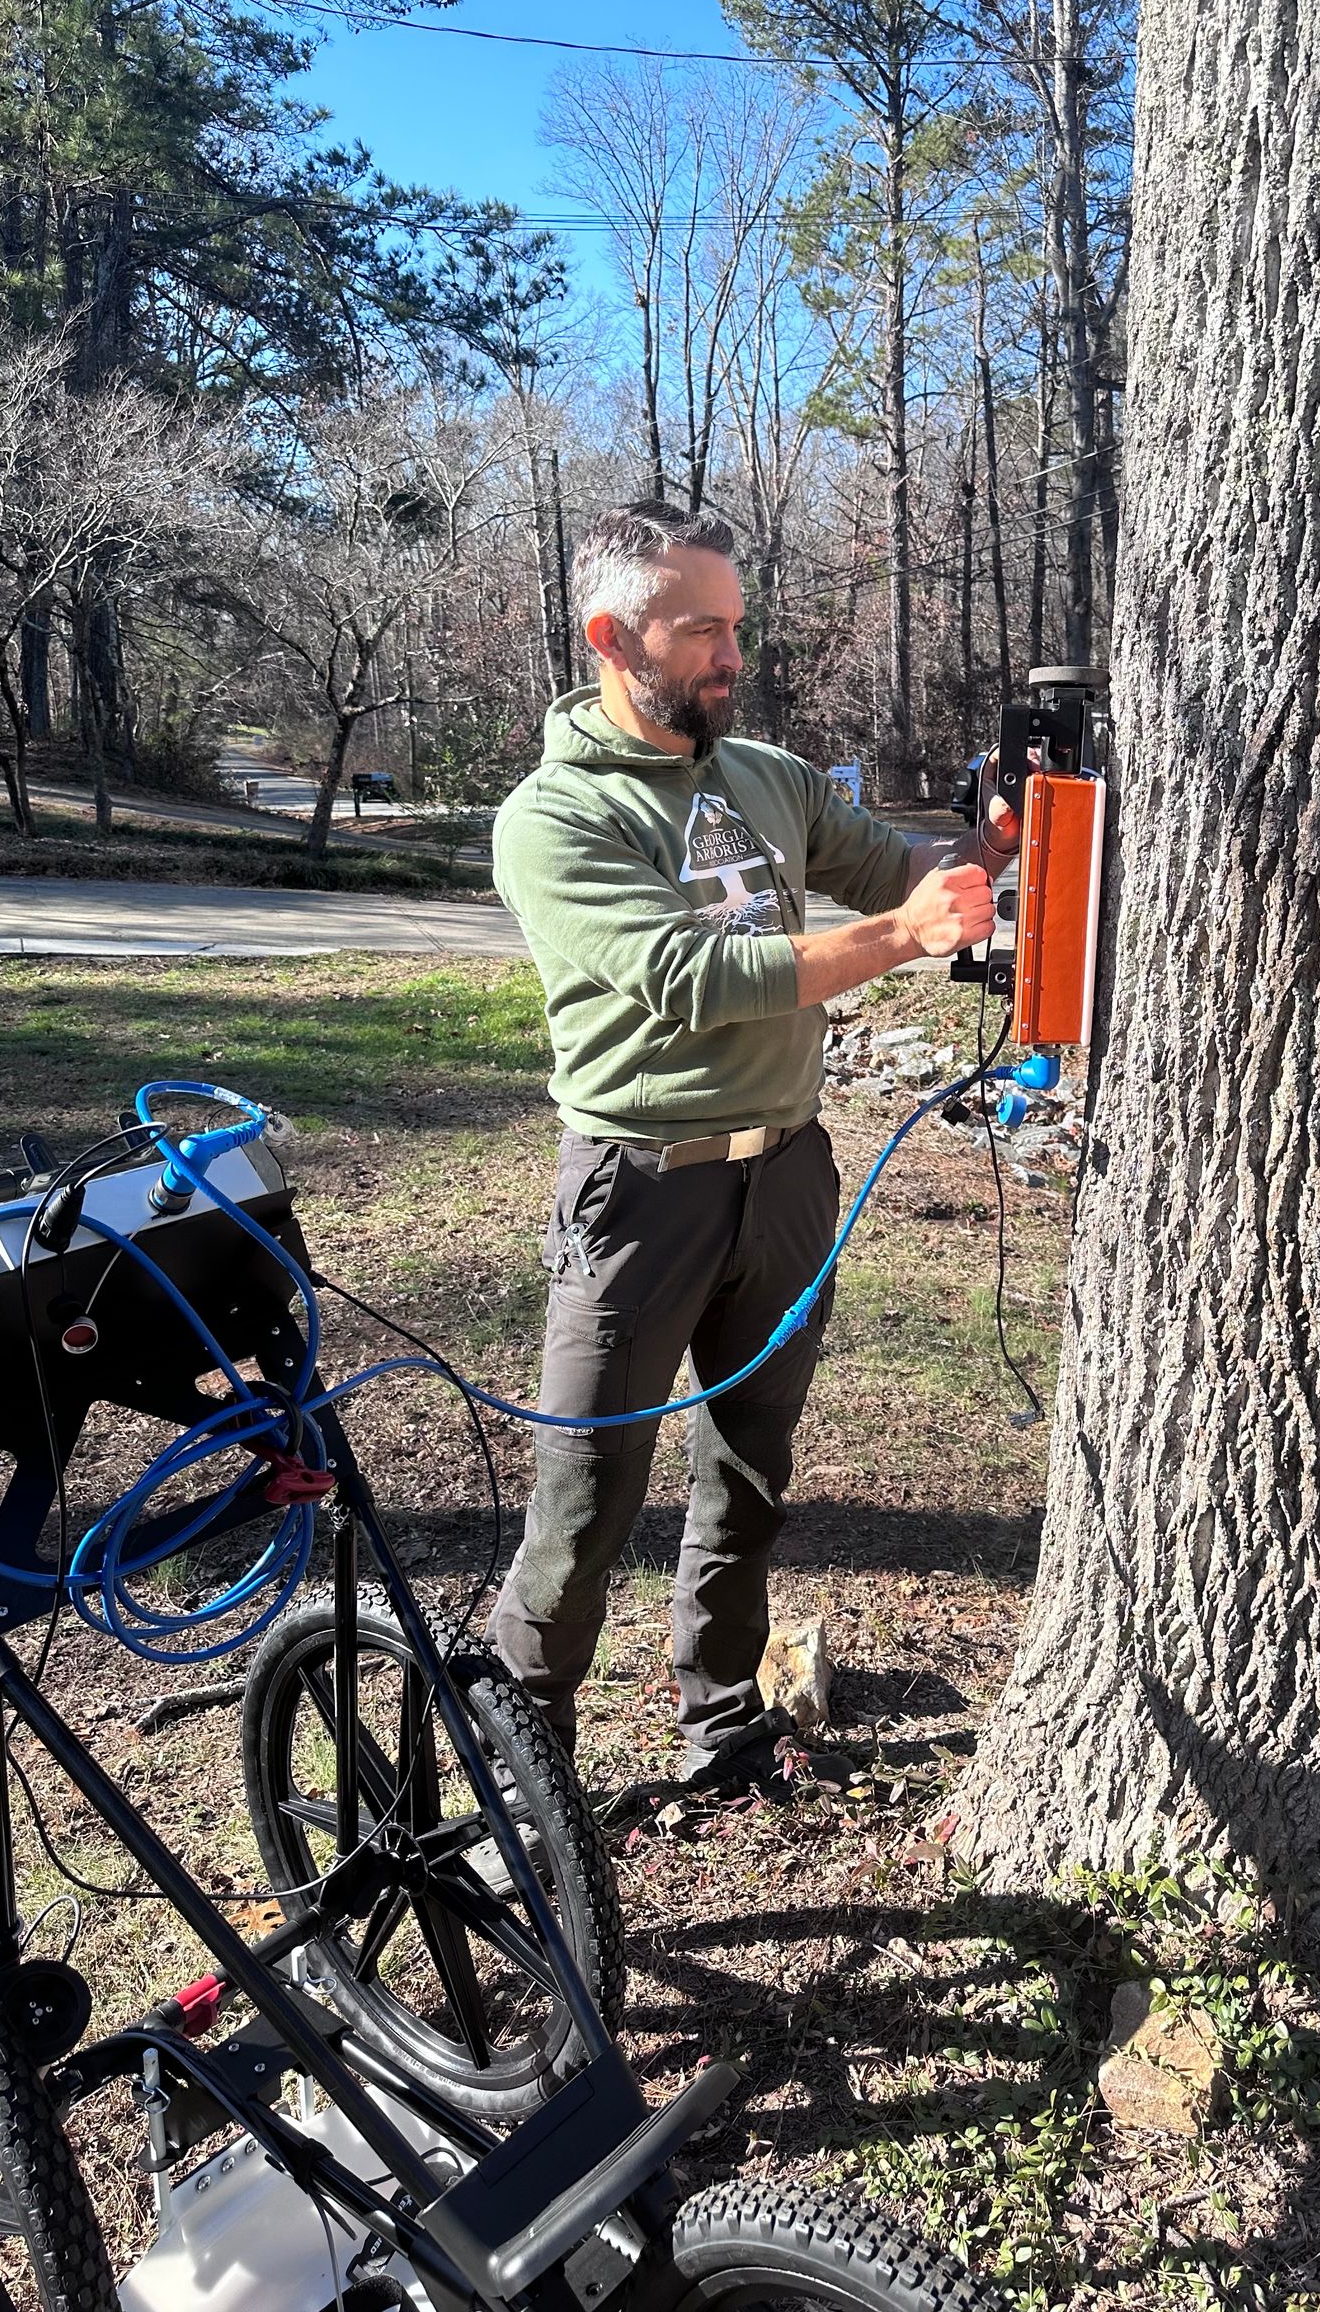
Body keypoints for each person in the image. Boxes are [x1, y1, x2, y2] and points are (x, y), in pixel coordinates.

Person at [485, 496, 1017, 1794]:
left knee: (748, 1467)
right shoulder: (553, 819)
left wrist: (999, 841)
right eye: (701, 629)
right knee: (585, 1493)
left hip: (785, 1174)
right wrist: (902, 938)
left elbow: (899, 871)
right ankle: (523, 1758)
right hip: (638, 1189)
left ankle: (721, 1713)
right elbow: (694, 978)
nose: (732, 652)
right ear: (614, 637)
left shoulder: (767, 777)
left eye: (736, 624)